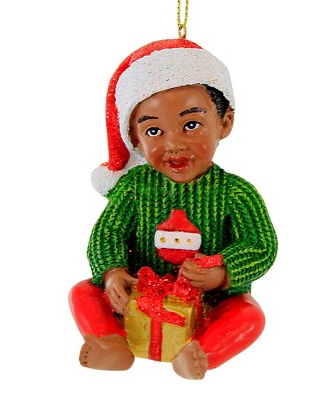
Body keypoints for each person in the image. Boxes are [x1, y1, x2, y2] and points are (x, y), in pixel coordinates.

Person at [69, 38, 278, 380]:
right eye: (154, 131)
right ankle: (111, 341)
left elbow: (261, 245)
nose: (173, 144)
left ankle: (201, 352)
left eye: (191, 125)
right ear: (136, 139)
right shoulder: (134, 188)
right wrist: (112, 273)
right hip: (138, 292)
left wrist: (223, 272)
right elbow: (108, 231)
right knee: (82, 292)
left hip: (209, 302)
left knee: (250, 315)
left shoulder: (236, 193)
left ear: (224, 123)